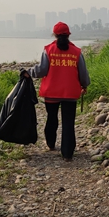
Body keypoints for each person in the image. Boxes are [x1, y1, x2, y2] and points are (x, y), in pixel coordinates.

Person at [28, 22, 90, 161]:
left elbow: (42, 70)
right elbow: (83, 74)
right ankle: (67, 153)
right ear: (68, 35)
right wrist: (84, 85)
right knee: (68, 122)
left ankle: (50, 143)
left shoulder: (48, 50)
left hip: (51, 92)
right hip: (70, 93)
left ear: (54, 35)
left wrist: (29, 72)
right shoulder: (76, 52)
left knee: (51, 118)